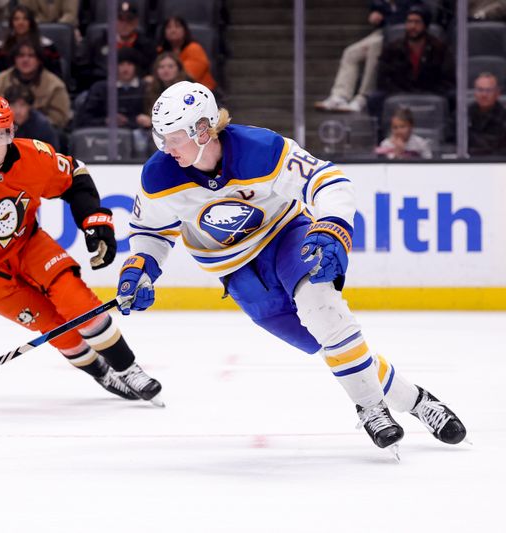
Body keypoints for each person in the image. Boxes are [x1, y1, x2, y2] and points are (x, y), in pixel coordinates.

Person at [116, 80, 467, 455]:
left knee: (324, 312)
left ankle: (369, 407)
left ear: (203, 129)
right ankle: (416, 400)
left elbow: (327, 180)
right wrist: (140, 267)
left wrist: (333, 224)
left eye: (173, 137)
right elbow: (149, 231)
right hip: (239, 275)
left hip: (286, 236)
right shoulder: (158, 175)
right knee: (328, 343)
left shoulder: (261, 148)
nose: (165, 148)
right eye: (160, 137)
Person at [0, 95, 161, 402]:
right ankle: (102, 373)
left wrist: (94, 220)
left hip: (28, 245)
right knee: (53, 324)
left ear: (11, 134)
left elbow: (75, 177)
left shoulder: (34, 156)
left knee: (74, 297)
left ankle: (129, 370)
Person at [315, 0, 423, 113]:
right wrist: (377, 16)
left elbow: (416, 20)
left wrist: (390, 14)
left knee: (374, 48)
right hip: (382, 33)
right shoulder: (382, 3)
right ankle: (340, 96)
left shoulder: (412, 3)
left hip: (401, 35)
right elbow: (378, 12)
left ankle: (363, 98)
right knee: (351, 52)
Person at [371, 5, 454, 118]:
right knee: (375, 98)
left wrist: (428, 91)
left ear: (425, 25)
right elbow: (383, 77)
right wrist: (399, 91)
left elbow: (448, 78)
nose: (412, 26)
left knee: (453, 96)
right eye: (409, 22)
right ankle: (383, 133)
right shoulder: (393, 48)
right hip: (399, 91)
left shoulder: (439, 48)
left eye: (417, 22)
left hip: (431, 92)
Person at [0, 39, 70, 129]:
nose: (25, 60)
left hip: (41, 132)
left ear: (39, 60)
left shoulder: (56, 86)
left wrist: (32, 123)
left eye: (31, 56)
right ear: (14, 60)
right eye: (21, 56)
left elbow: (59, 118)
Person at [77, 47, 148, 129]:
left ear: (136, 67)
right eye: (121, 64)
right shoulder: (100, 89)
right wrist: (105, 121)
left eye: (129, 64)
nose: (125, 69)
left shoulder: (146, 88)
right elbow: (84, 119)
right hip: (104, 134)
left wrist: (146, 120)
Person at [0, 5, 62, 78]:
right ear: (11, 23)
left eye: (25, 19)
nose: (21, 22)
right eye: (16, 19)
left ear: (31, 23)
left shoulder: (46, 46)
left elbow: (56, 74)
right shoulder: (0, 47)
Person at [157, 16, 216, 91]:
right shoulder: (161, 51)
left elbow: (188, 77)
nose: (173, 30)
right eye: (168, 27)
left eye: (177, 26)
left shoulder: (194, 48)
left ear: (184, 30)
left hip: (200, 93)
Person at [468, 72, 506, 156]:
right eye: (480, 90)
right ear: (474, 93)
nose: (484, 95)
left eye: (488, 90)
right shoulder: (463, 114)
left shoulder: (503, 117)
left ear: (497, 93)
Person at [143, 52, 189, 116]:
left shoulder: (188, 89)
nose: (166, 70)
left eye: (170, 66)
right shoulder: (151, 90)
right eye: (161, 67)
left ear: (179, 69)